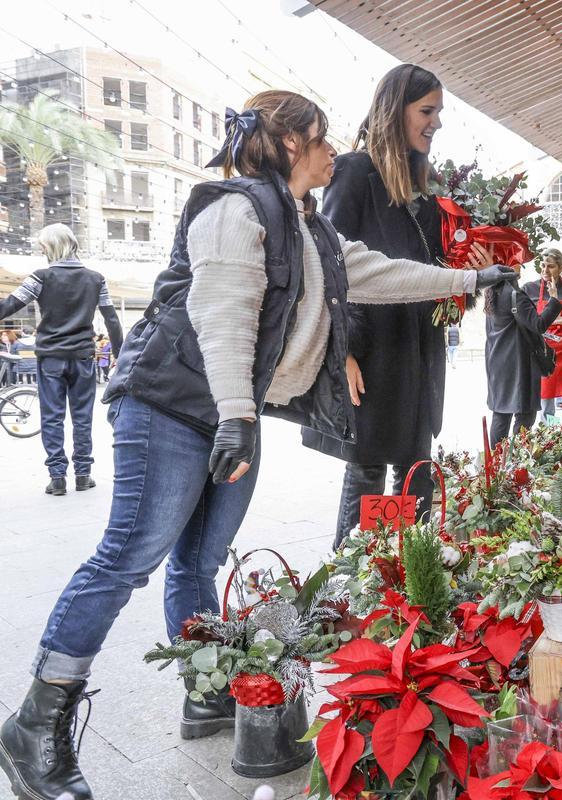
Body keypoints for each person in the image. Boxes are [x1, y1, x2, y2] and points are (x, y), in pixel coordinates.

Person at [0, 89, 513, 800]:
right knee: (129, 557)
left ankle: (205, 687)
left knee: (200, 560)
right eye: (324, 137)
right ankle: (36, 721)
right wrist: (239, 415)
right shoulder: (235, 208)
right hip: (170, 404)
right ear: (292, 144)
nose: (337, 150)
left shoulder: (309, 230)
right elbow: (223, 315)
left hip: (226, 414)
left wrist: (472, 278)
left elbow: (380, 273)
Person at [299, 65, 490, 549]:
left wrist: (469, 275)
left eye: (439, 113)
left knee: (416, 474)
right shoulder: (356, 172)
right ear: (394, 110)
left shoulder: (424, 187)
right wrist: (339, 351)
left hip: (418, 358)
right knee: (367, 472)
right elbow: (328, 265)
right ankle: (350, 593)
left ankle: (408, 580)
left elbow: (431, 284)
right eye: (427, 111)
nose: (436, 123)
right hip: (373, 357)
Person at [0, 224, 124, 496]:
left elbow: (8, 307)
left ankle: (57, 478)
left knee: (52, 417)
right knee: (82, 418)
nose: (42, 251)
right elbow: (111, 319)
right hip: (82, 356)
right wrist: (121, 354)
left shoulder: (40, 277)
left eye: (44, 246)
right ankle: (83, 474)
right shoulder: (96, 279)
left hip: (51, 357)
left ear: (53, 246)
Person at [485, 269, 561, 446]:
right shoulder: (514, 295)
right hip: (519, 363)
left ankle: (496, 464)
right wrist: (554, 299)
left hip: (497, 362)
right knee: (525, 415)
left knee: (501, 414)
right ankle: (517, 461)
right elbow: (538, 324)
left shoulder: (493, 291)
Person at [526, 248, 562, 421]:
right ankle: (550, 436)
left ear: (561, 268)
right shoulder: (530, 289)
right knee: (546, 404)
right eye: (542, 265)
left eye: (550, 266)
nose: (545, 270)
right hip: (544, 353)